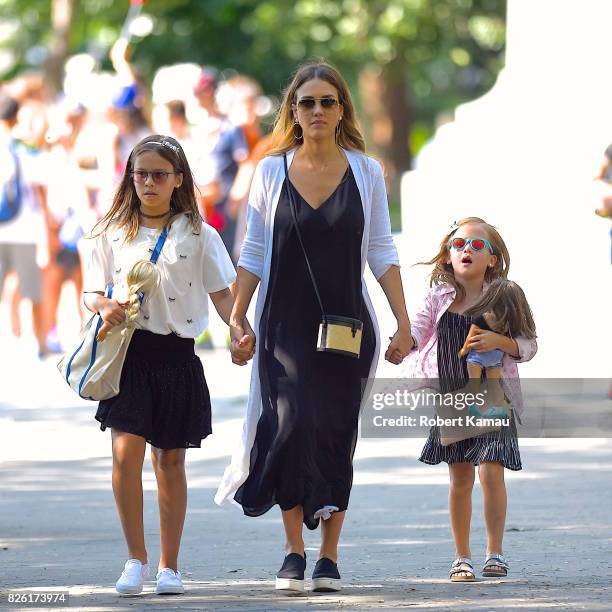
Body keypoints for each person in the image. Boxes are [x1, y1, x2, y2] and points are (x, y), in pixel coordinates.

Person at [215, 61, 413, 593]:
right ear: (294, 111)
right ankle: (293, 551)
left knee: (333, 431)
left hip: (349, 325)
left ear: (342, 108)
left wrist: (402, 321)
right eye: (308, 103)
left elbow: (381, 249)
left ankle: (328, 554)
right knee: (289, 424)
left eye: (329, 101)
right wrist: (236, 315)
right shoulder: (271, 171)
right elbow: (253, 250)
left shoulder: (366, 172)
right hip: (284, 324)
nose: (318, 111)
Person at [82, 134, 254, 596]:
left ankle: (169, 565)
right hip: (129, 353)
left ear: (178, 179)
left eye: (160, 174)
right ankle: (134, 559)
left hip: (178, 355)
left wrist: (240, 330)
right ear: (130, 177)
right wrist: (103, 306)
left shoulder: (200, 233)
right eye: (142, 174)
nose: (150, 182)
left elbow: (223, 293)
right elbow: (90, 290)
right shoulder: (110, 231)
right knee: (124, 456)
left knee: (171, 459)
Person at [406, 217, 537, 582]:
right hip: (453, 399)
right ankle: (461, 557)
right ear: (448, 256)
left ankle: (495, 553)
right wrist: (404, 342)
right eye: (459, 244)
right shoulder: (438, 298)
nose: (467, 250)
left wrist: (502, 343)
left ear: (493, 259)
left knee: (491, 472)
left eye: (478, 246)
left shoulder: (507, 295)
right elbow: (418, 330)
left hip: (495, 397)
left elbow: (529, 345)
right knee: (460, 478)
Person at [0, 93, 48, 357]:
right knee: (31, 287)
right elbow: (40, 192)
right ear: (16, 116)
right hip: (24, 227)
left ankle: (10, 336)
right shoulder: (26, 150)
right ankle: (38, 342)